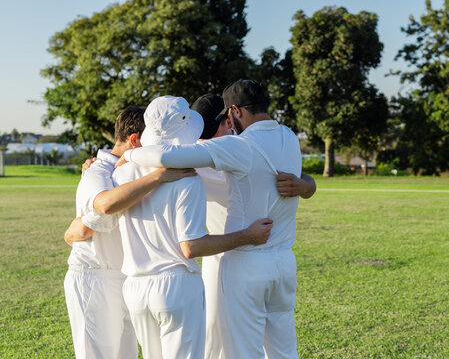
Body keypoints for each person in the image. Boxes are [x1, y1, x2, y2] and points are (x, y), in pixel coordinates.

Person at [120, 80, 312, 358]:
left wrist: (127, 153)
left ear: (235, 110)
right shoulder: (290, 137)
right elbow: (300, 179)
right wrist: (308, 185)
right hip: (284, 261)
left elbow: (165, 154)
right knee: (285, 352)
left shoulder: (238, 147)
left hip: (245, 264)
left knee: (244, 352)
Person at [190, 93, 316, 359]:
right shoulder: (198, 163)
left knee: (251, 343)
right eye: (225, 124)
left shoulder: (246, 147)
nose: (231, 129)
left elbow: (301, 176)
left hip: (256, 258)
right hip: (221, 257)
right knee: (214, 335)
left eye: (229, 121)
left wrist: (305, 185)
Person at [63, 106, 195, 359]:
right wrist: (158, 177)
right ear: (135, 140)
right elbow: (105, 205)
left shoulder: (130, 171)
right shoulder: (98, 171)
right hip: (95, 276)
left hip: (126, 278)